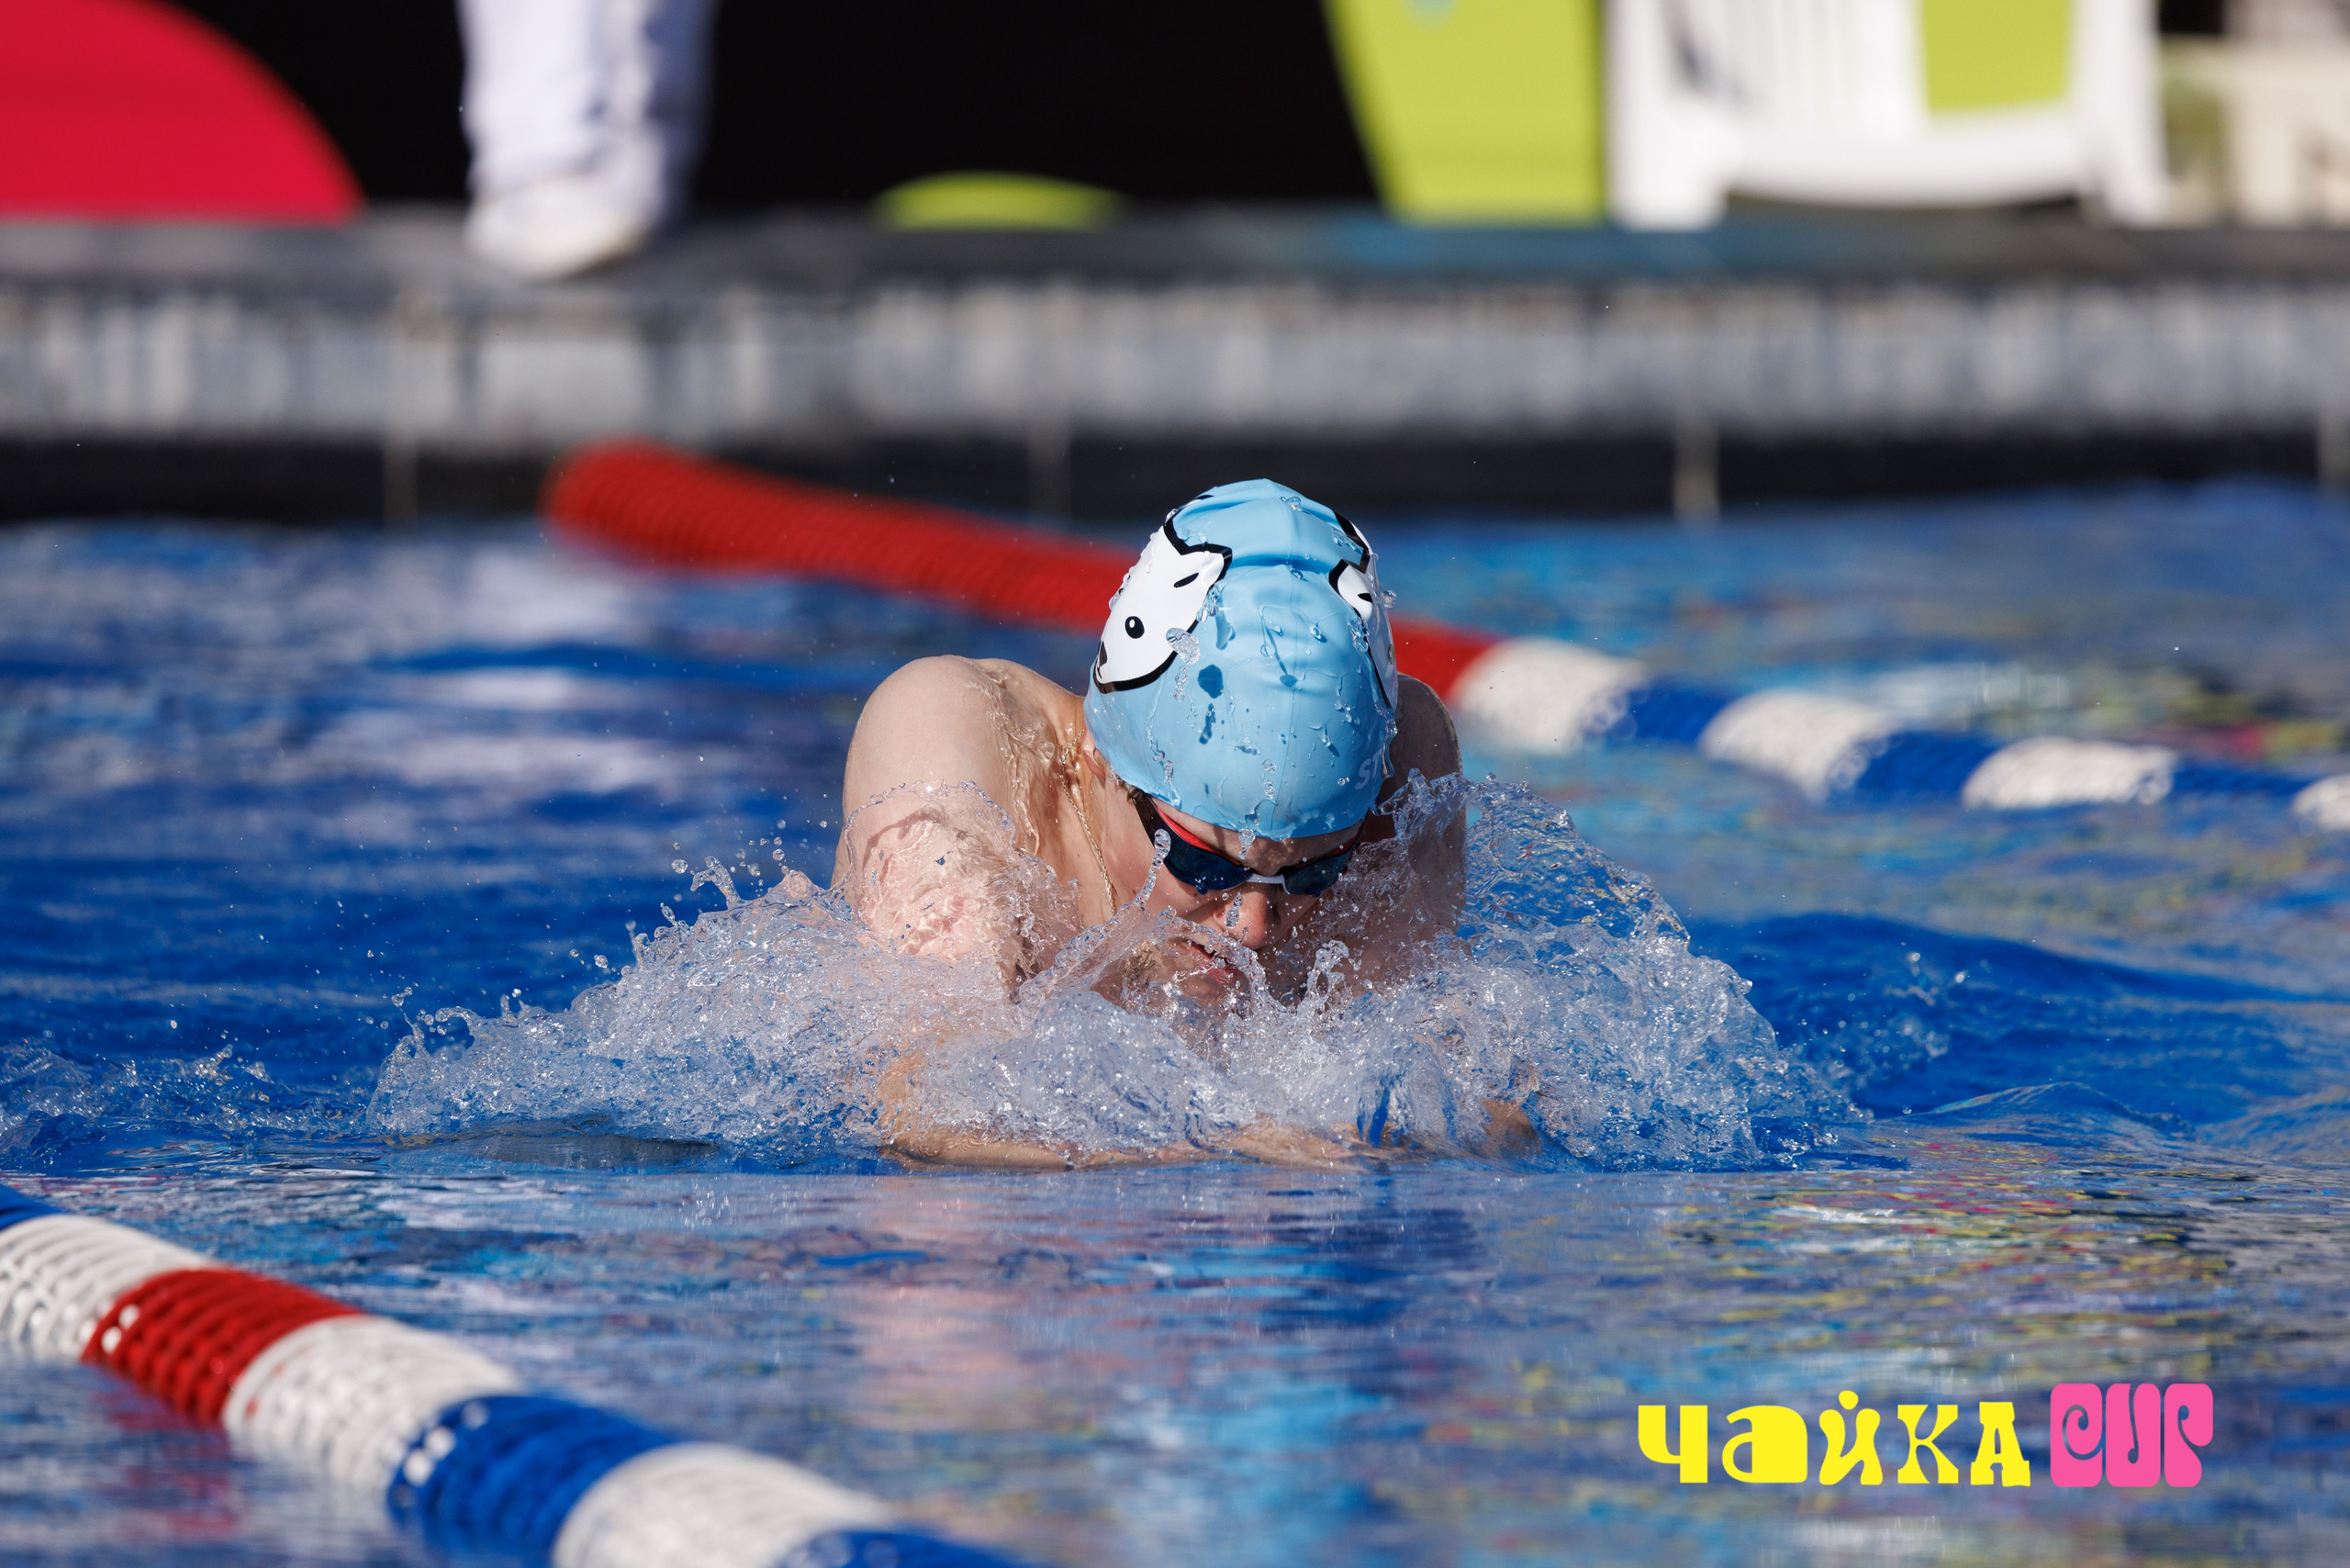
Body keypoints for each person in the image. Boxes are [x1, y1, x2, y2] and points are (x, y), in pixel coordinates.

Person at [834, 479, 1466, 1166]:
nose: (1251, 928)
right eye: (1205, 863)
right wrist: (1211, 1150)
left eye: (1313, 870)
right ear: (1102, 756)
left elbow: (1452, 1082)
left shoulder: (1401, 775)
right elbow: (914, 1108)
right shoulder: (964, 752)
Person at [456, 0, 714, 280]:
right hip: (543, 166)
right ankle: (541, 169)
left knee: (643, 168)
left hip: (644, 175)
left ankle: (637, 166)